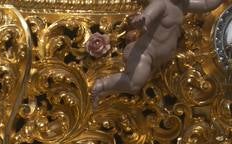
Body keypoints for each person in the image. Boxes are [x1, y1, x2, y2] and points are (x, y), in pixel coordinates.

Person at [91, 0, 224, 105]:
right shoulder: (161, 4)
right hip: (145, 54)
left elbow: (206, 4)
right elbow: (147, 16)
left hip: (157, 60)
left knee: (134, 83)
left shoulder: (182, 4)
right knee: (133, 85)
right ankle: (102, 85)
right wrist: (141, 21)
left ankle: (107, 90)